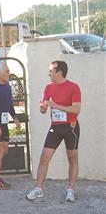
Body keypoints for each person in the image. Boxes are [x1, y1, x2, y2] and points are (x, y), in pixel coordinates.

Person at [26, 61, 81, 202]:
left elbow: (76, 109)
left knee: (72, 158)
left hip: (71, 126)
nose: (49, 73)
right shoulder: (49, 87)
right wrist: (43, 107)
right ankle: (38, 188)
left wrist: (56, 105)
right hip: (55, 127)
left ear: (59, 72)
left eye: (51, 71)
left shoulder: (73, 87)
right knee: (45, 156)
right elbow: (44, 108)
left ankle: (71, 189)